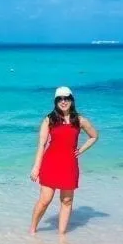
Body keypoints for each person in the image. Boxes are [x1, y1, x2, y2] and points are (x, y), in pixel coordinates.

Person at [29, 86, 98, 235]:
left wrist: (80, 150)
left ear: (71, 100)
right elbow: (41, 144)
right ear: (55, 102)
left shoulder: (79, 120)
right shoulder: (50, 119)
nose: (63, 101)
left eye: (66, 98)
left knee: (67, 201)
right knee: (45, 200)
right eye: (60, 99)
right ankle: (32, 230)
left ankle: (61, 236)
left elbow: (94, 136)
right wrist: (36, 167)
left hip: (69, 165)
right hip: (50, 163)